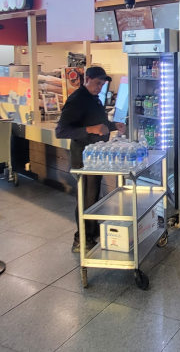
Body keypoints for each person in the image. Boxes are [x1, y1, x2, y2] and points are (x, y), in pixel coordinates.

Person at [56, 66, 126, 253]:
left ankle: (92, 233)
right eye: (97, 83)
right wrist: (90, 130)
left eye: (102, 85)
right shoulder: (77, 100)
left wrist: (113, 125)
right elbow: (61, 131)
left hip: (96, 156)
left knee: (93, 198)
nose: (99, 87)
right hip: (84, 158)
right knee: (86, 197)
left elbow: (97, 123)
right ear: (86, 79)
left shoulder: (94, 98)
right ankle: (81, 240)